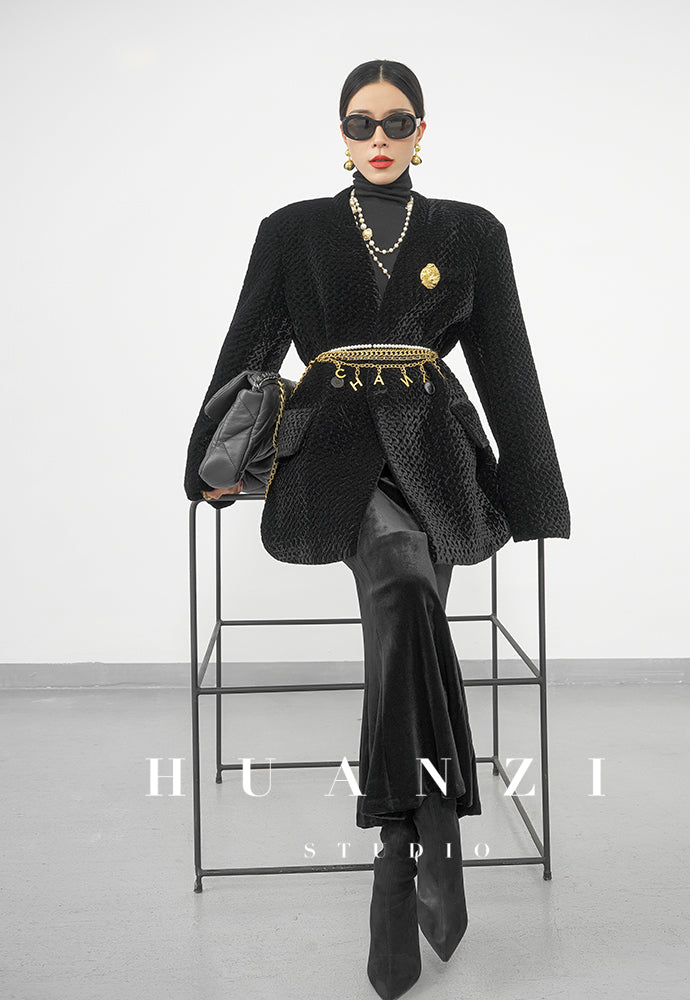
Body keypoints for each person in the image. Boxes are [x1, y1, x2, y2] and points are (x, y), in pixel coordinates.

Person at [184, 59, 571, 1000]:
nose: (380, 137)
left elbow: (507, 361)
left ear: (422, 131)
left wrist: (534, 491)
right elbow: (247, 347)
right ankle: (424, 825)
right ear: (342, 134)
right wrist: (209, 460)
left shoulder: (471, 231)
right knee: (401, 578)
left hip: (436, 450)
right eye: (362, 122)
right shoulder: (294, 230)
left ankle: (401, 842)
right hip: (335, 452)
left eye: (398, 121)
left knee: (410, 605)